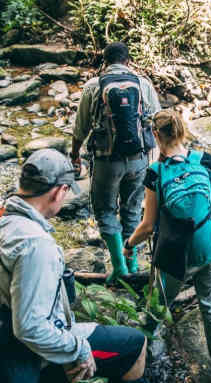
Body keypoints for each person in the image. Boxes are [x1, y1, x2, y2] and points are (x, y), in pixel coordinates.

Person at [0, 149, 147, 383]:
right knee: (135, 344)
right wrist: (78, 349)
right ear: (59, 191)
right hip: (29, 349)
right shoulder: (35, 244)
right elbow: (30, 327)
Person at [122, 110, 211, 380]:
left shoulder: (155, 173)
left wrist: (129, 245)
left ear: (156, 135)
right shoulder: (204, 160)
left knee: (157, 305)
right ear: (182, 131)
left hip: (177, 260)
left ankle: (141, 346)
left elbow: (146, 227)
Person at [71, 41, 162, 283]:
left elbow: (80, 127)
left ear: (105, 62)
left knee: (105, 211)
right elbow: (158, 120)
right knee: (132, 211)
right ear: (128, 61)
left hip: (106, 161)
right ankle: (132, 264)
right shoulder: (143, 84)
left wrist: (74, 155)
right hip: (138, 160)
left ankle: (119, 267)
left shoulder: (93, 86)